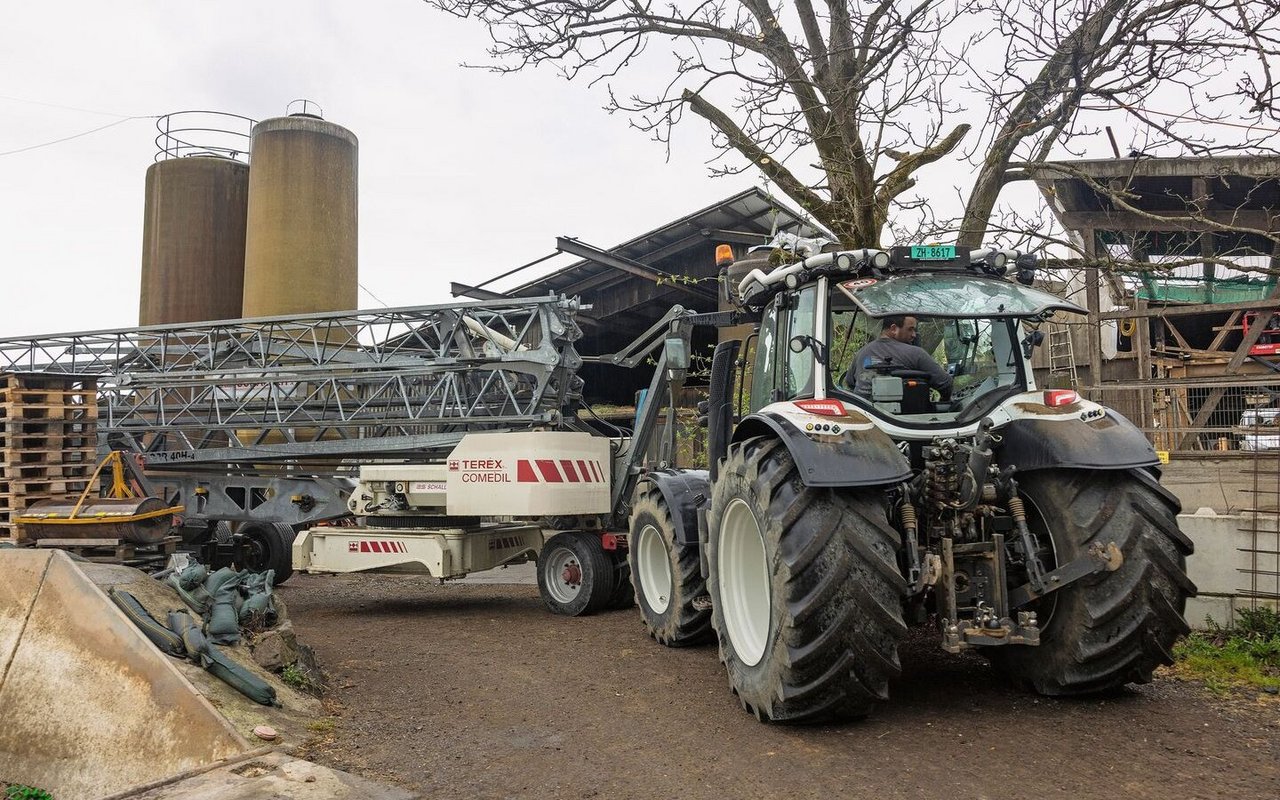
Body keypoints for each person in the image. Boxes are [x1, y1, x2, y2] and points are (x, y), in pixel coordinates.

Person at [847, 315, 953, 399]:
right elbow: (945, 383)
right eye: (910, 329)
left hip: (866, 413)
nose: (914, 335)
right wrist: (944, 401)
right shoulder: (916, 353)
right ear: (894, 329)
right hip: (905, 420)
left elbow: (850, 383)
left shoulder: (861, 353)